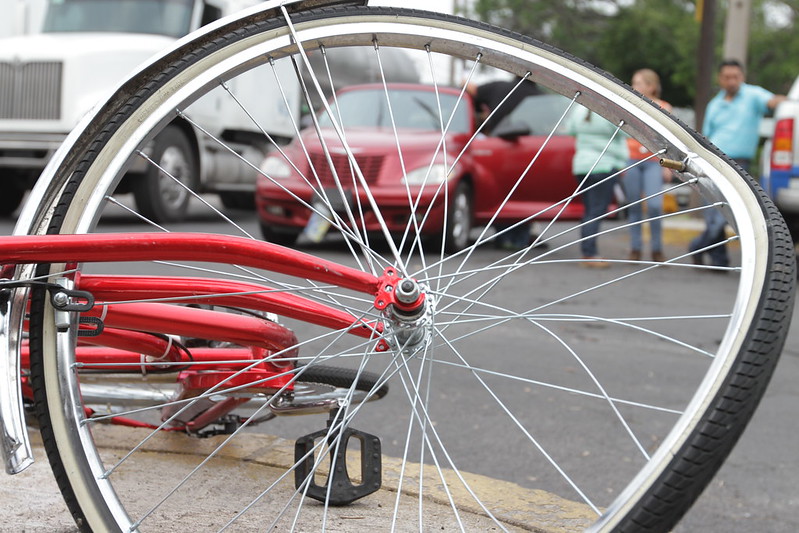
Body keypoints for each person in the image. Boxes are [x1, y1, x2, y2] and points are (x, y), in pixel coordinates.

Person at [690, 59, 786, 268]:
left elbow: (772, 102)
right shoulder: (715, 104)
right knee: (715, 210)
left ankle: (697, 246)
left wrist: (789, 103)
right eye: (727, 77)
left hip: (739, 163)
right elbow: (706, 136)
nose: (731, 81)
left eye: (735, 77)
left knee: (732, 211)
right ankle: (719, 259)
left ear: (742, 77)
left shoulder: (752, 95)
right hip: (714, 162)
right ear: (720, 79)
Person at [469, 76, 543, 249]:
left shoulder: (498, 86)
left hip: (497, 147)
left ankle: (503, 235)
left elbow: (470, 88)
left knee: (500, 192)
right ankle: (520, 237)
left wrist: (479, 112)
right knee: (523, 193)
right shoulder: (538, 96)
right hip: (530, 149)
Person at [566, 105, 629, 267]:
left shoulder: (578, 109)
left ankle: (587, 251)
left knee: (588, 210)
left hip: (581, 166)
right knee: (596, 211)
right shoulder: (610, 111)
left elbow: (570, 130)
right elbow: (626, 132)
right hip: (604, 165)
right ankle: (589, 253)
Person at [624, 69, 672, 262]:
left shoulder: (663, 107)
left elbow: (668, 140)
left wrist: (668, 166)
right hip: (632, 159)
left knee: (654, 206)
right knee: (634, 206)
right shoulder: (629, 105)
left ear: (651, 86)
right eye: (633, 82)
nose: (634, 87)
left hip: (653, 161)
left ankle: (657, 249)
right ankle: (635, 248)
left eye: (638, 83)